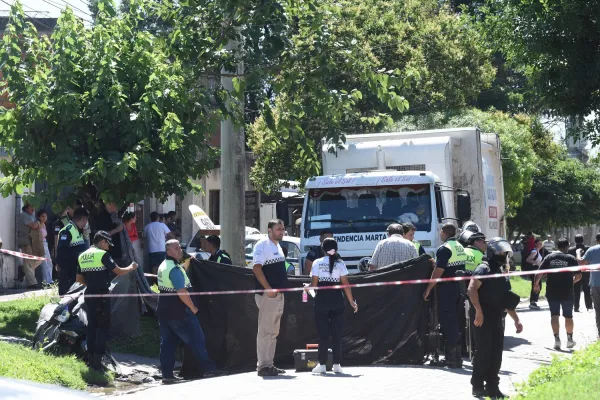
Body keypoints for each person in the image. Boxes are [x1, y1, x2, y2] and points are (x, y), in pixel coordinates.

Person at [468, 237, 523, 399]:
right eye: (500, 252)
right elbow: (472, 289)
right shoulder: (483, 269)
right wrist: (478, 310)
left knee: (496, 354)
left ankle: (493, 387)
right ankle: (477, 386)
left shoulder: (501, 272)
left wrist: (516, 319)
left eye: (505, 252)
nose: (503, 255)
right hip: (482, 317)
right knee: (483, 352)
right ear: (492, 252)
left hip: (497, 317)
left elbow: (506, 299)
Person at [76, 231, 138, 371]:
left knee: (92, 326)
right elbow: (119, 271)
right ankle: (98, 361)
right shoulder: (102, 255)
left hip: (89, 294)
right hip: (102, 295)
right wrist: (131, 267)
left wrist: (92, 284)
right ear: (102, 241)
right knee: (103, 326)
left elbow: (79, 279)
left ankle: (90, 357)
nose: (109, 247)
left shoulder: (83, 255)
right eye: (107, 244)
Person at [157, 239, 216, 383]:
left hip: (165, 312)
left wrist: (187, 263)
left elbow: (174, 279)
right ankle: (209, 370)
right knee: (197, 340)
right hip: (180, 313)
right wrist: (192, 307)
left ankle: (167, 376)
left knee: (168, 344)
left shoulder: (165, 266)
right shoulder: (174, 270)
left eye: (180, 247)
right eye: (176, 248)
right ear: (168, 251)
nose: (179, 250)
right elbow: (182, 291)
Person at [307, 237, 358, 374]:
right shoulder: (340, 264)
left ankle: (322, 364)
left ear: (323, 249)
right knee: (337, 334)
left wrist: (307, 288)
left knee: (323, 334)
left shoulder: (317, 262)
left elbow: (314, 285)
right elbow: (346, 285)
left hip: (322, 300)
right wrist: (352, 302)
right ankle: (337, 364)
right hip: (337, 300)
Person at [423, 223, 467, 368]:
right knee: (455, 321)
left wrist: (428, 288)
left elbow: (439, 271)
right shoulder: (459, 246)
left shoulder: (444, 248)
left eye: (440, 231)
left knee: (448, 322)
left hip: (447, 289)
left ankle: (452, 358)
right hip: (459, 287)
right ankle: (456, 357)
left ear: (443, 232)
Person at [252, 219, 288, 377]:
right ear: (269, 230)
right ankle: (262, 366)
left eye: (283, 229)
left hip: (279, 295)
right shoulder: (262, 245)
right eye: (278, 229)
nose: (281, 232)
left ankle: (269, 364)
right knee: (265, 331)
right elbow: (256, 268)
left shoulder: (278, 246)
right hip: (268, 295)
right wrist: (268, 289)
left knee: (274, 332)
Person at [534, 238, 581, 350]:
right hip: (567, 292)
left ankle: (557, 340)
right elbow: (579, 276)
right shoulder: (571, 258)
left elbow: (539, 273)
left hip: (552, 291)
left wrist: (536, 285)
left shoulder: (549, 257)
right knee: (568, 316)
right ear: (567, 246)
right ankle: (569, 340)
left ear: (557, 246)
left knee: (554, 315)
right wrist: (571, 281)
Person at [56, 208, 90, 295]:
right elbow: (62, 252)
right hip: (68, 271)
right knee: (66, 296)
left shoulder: (77, 230)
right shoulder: (67, 231)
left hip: (76, 270)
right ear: (84, 219)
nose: (86, 223)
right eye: (86, 220)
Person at [576, 233, 600, 338]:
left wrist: (578, 253)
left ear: (596, 240)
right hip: (595, 284)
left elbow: (581, 263)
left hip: (596, 284)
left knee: (598, 310)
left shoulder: (592, 250)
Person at [17, 204, 41, 288]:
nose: (33, 209)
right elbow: (34, 226)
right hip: (26, 241)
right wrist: (38, 222)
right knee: (28, 262)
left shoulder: (30, 216)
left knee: (39, 258)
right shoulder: (24, 215)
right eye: (31, 207)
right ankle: (32, 283)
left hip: (32, 241)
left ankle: (23, 270)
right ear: (26, 208)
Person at [569, 234, 592, 312]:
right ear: (583, 240)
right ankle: (589, 306)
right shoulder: (588, 249)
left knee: (576, 290)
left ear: (575, 240)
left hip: (575, 272)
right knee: (587, 290)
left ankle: (576, 307)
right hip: (586, 272)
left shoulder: (571, 250)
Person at [32, 210, 53, 285]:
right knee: (44, 263)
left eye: (45, 216)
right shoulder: (37, 224)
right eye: (42, 216)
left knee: (49, 262)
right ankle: (46, 281)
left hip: (45, 244)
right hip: (40, 244)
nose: (44, 218)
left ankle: (50, 280)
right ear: (38, 217)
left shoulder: (44, 225)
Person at [526, 239, 544, 310]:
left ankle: (533, 302)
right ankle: (532, 302)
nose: (540, 245)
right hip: (534, 271)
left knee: (538, 285)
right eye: (539, 243)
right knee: (536, 285)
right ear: (535, 244)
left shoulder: (538, 251)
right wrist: (536, 263)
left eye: (541, 243)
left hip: (537, 270)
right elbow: (528, 259)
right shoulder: (534, 251)